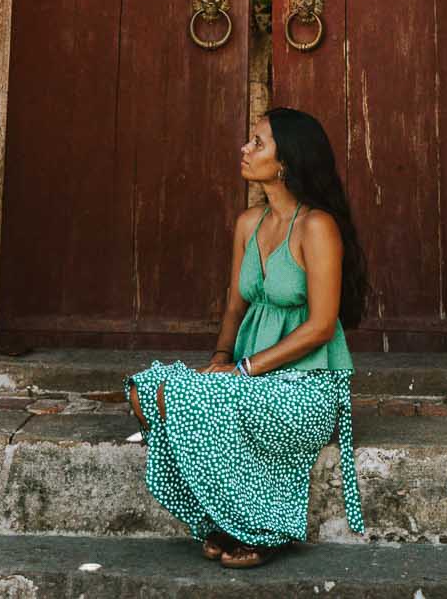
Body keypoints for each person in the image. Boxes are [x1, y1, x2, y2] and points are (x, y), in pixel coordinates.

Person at [124, 105, 367, 569]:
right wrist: (220, 358)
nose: (245, 148)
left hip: (306, 388)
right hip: (247, 379)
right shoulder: (247, 223)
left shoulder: (317, 227)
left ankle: (262, 526)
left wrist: (243, 369)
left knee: (194, 401)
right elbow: (235, 306)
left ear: (286, 163)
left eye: (258, 143)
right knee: (146, 391)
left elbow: (319, 327)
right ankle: (227, 515)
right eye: (249, 140)